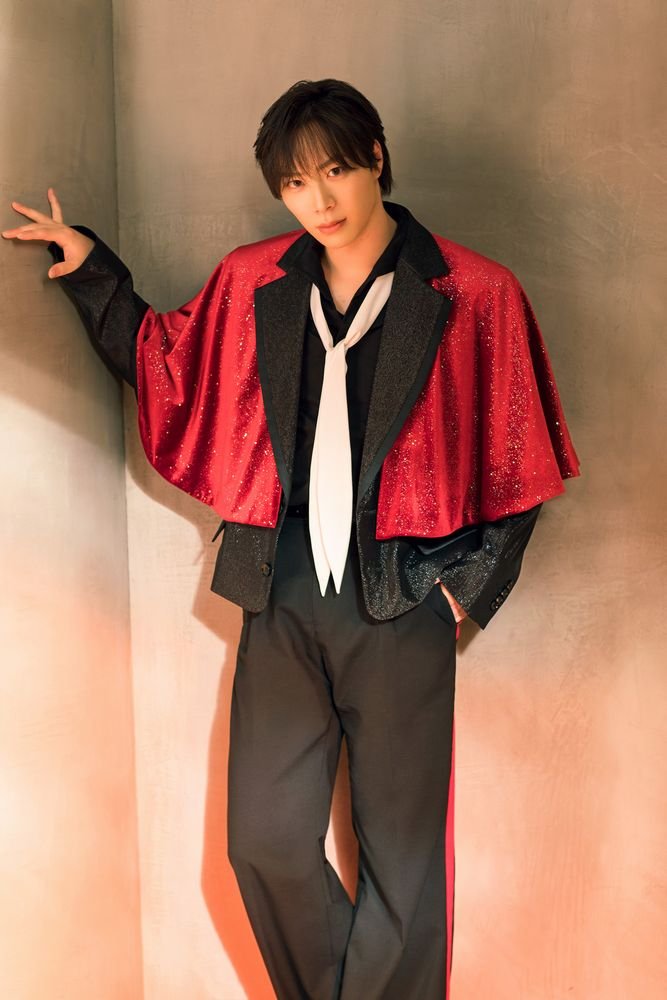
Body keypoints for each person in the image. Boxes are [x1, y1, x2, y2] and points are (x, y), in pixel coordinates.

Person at [2, 78, 580, 1000]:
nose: (320, 200)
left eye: (337, 171)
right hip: (279, 587)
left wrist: (454, 594)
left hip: (403, 593)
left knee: (403, 864)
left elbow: (523, 463)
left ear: (376, 158)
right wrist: (91, 271)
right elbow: (168, 365)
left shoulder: (473, 291)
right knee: (262, 843)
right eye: (296, 184)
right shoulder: (255, 281)